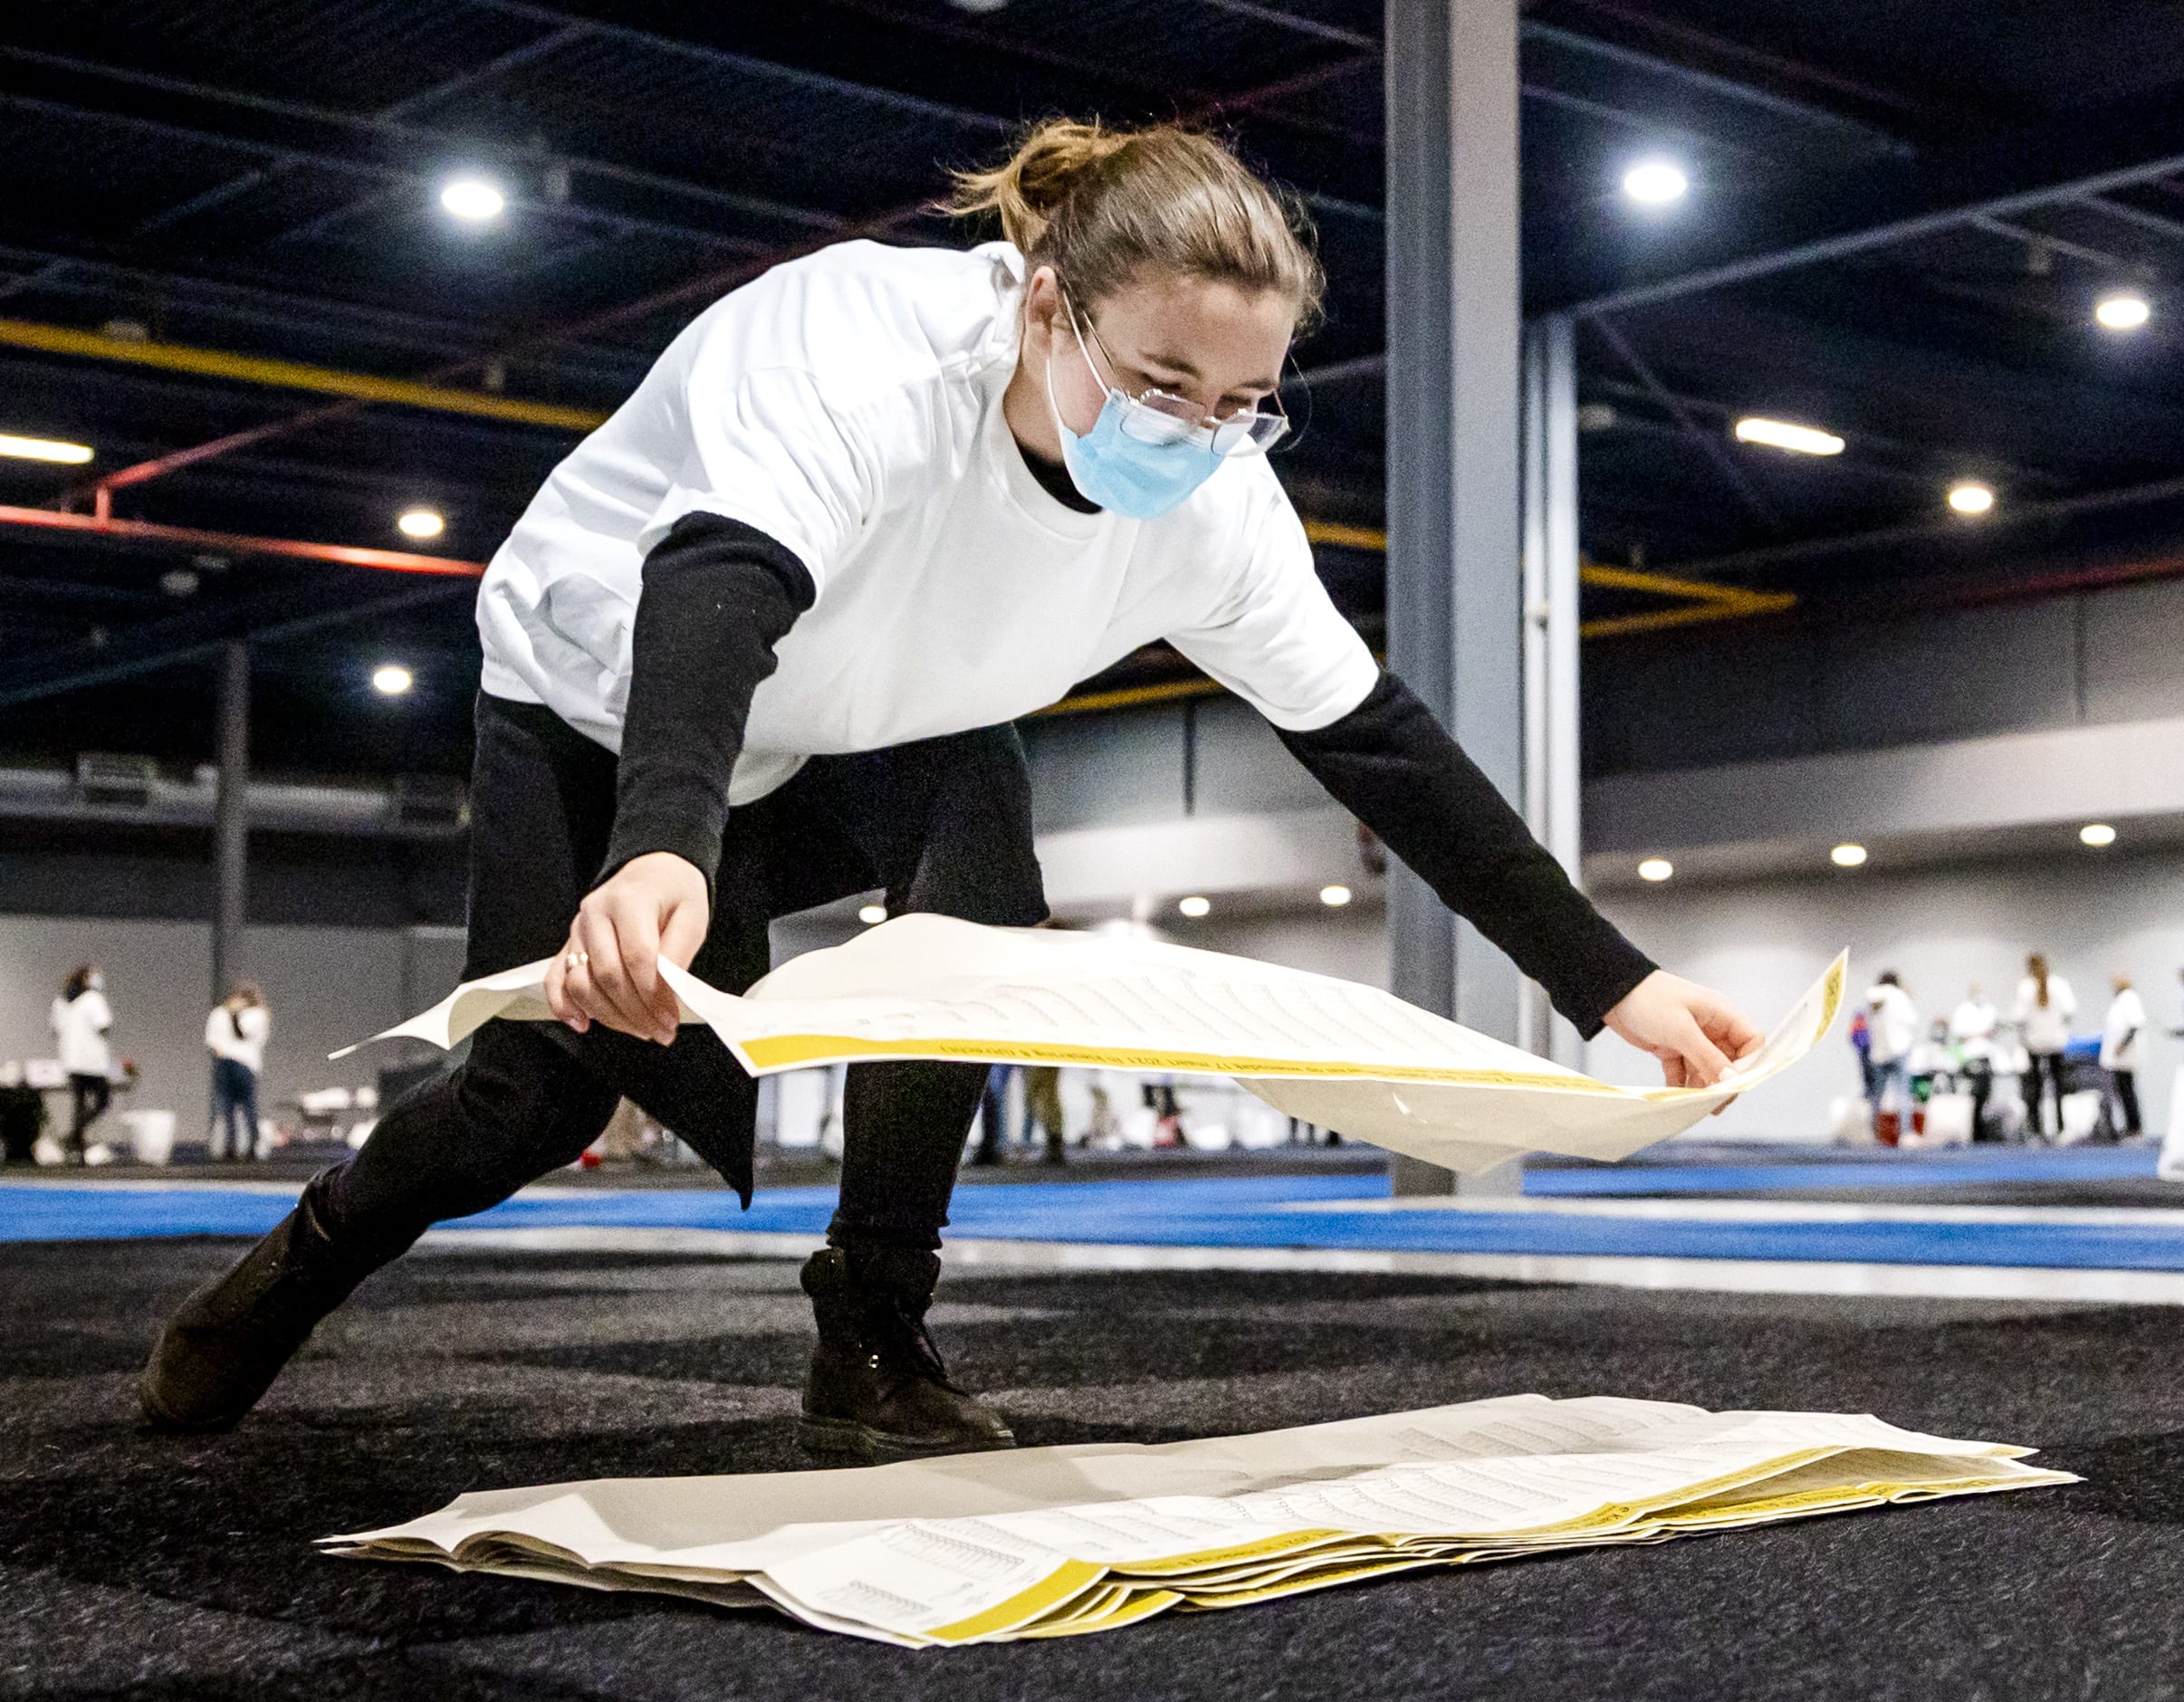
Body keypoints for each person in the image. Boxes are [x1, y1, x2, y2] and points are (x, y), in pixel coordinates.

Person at [139, 119, 1761, 1458]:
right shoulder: (859, 348)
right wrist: (660, 849)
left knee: (982, 887)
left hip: (880, 715)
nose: (1197, 434)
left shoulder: (1212, 500)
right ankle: (296, 1265)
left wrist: (1610, 983)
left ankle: (872, 1330)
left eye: (1241, 401)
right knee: (540, 1095)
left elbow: (1376, 743)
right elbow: (716, 585)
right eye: (1161, 384)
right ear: (1046, 309)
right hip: (609, 690)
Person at [51, 966, 113, 1162]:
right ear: (86, 979)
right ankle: (74, 1136)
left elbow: (56, 1029)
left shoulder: (61, 1002)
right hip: (92, 1062)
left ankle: (77, 1149)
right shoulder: (94, 999)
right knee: (103, 1101)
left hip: (71, 1061)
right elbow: (103, 1025)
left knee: (79, 1104)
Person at [2013, 951, 2076, 1142]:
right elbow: (2070, 1011)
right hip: (2057, 1042)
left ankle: (2036, 1130)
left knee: (2035, 1088)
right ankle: (2061, 1128)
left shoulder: (2025, 987)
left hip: (2034, 1044)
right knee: (2058, 1086)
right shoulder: (2060, 984)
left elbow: (2019, 1017)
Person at [204, 982, 271, 1161]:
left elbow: (242, 1033)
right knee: (226, 1105)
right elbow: (211, 1037)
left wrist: (234, 1016)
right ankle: (230, 1145)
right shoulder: (219, 1013)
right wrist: (220, 1050)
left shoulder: (257, 1014)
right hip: (225, 1060)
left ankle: (253, 1145)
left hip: (245, 1063)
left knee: (248, 1105)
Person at [1863, 971, 1917, 1111]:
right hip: (1899, 1051)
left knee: (1877, 1096)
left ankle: (1874, 1125)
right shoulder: (1899, 996)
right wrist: (1907, 993)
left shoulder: (1871, 998)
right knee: (1902, 1093)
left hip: (1879, 1054)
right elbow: (1912, 1020)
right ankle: (1904, 1125)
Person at [1952, 981, 1998, 1140]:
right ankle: (1972, 1131)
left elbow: (1993, 1030)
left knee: (1986, 1094)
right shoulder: (1963, 1010)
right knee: (1972, 1095)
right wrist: (1979, 1033)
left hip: (1986, 1056)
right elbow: (1959, 1032)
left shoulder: (1990, 1009)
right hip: (1970, 1057)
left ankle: (1983, 1131)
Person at [2101, 973, 2146, 1139]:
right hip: (2120, 1057)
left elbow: (2135, 1025)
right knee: (2124, 1092)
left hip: (2125, 1055)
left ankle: (2134, 1128)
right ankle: (2130, 1126)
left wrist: (2122, 1046)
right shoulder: (2121, 1001)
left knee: (2127, 1093)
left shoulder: (2129, 998)